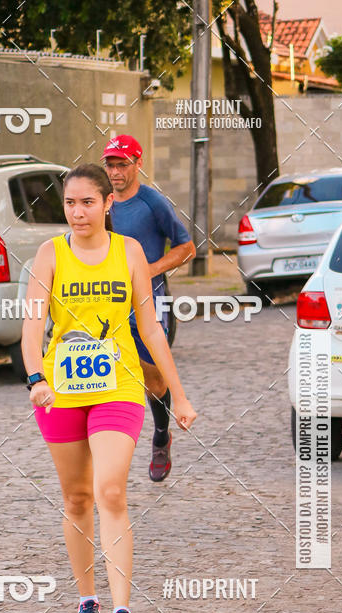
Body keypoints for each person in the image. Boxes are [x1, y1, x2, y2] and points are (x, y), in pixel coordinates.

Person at [21, 163, 197, 613]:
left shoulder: (129, 251)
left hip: (118, 386)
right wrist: (36, 377)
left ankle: (122, 611)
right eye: (70, 203)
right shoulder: (50, 253)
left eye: (87, 202)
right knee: (77, 497)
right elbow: (33, 326)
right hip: (59, 393)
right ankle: (87, 601)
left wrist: (177, 394)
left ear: (107, 204)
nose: (78, 212)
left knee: (111, 492)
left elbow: (151, 328)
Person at [101, 135, 196, 482]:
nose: (115, 172)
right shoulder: (102, 202)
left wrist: (149, 270)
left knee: (153, 378)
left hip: (149, 300)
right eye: (110, 165)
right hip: (108, 301)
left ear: (138, 164)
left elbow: (187, 248)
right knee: (109, 371)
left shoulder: (152, 202)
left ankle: (160, 435)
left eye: (122, 165)